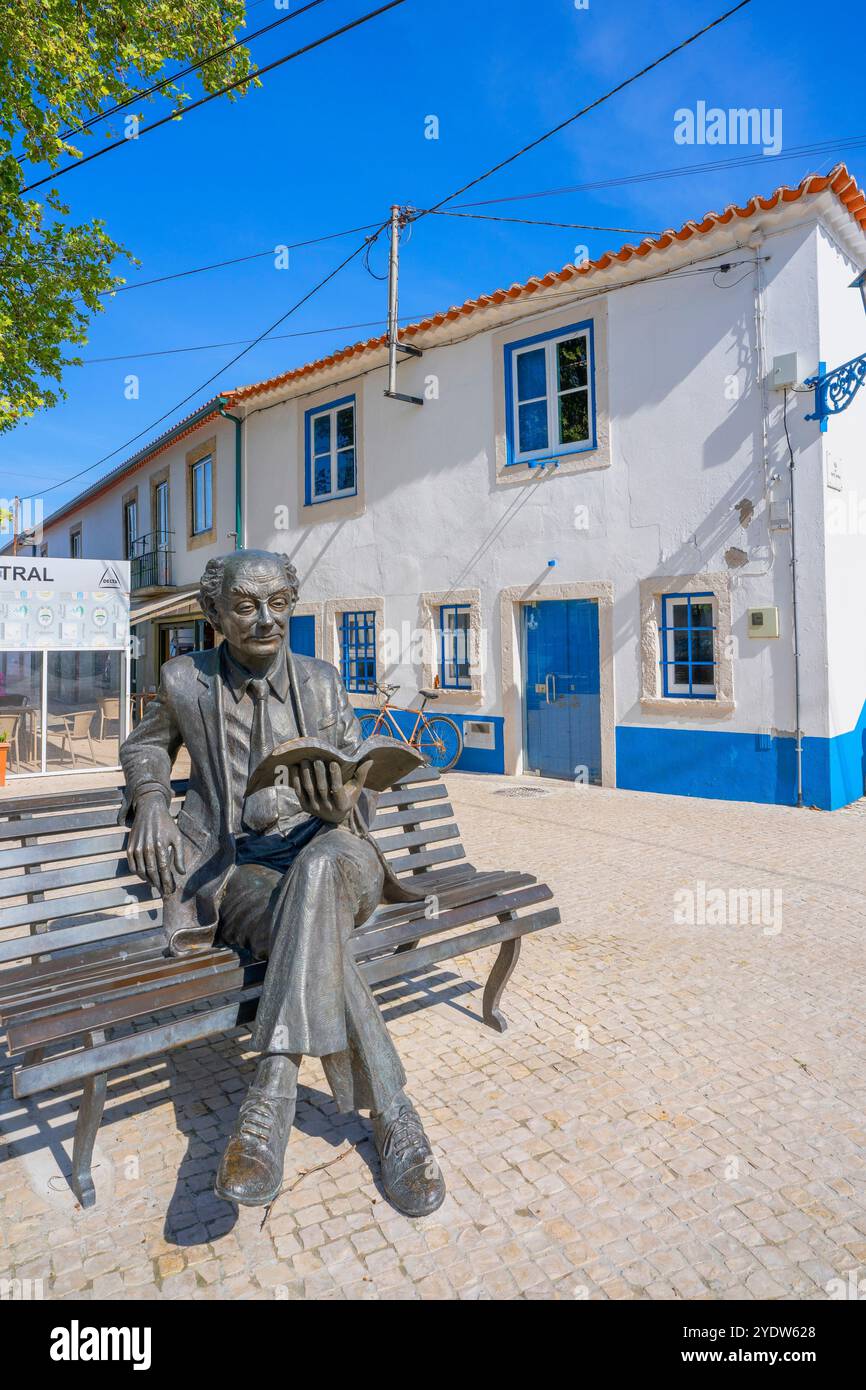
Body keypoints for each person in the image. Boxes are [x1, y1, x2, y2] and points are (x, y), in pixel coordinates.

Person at [120, 549, 445, 1217]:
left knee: (324, 868)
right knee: (313, 917)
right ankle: (394, 1115)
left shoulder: (323, 683)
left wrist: (343, 798)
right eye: (245, 605)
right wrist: (152, 797)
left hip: (336, 852)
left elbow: (364, 795)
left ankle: (269, 1097)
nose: (266, 619)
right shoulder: (186, 680)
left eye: (279, 604)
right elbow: (144, 745)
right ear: (214, 612)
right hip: (245, 875)